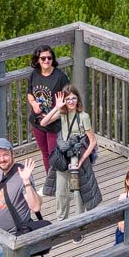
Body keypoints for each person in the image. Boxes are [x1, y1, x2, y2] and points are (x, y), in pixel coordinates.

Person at [0, 137, 47, 257]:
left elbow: (35, 206)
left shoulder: (22, 175)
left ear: (12, 154)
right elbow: (5, 201)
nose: (2, 159)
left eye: (5, 155)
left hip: (15, 240)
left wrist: (26, 182)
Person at [40, 87, 99, 219]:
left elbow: (93, 141)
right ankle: (61, 221)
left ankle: (78, 221)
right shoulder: (62, 113)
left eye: (73, 98)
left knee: (76, 191)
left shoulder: (83, 116)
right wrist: (56, 107)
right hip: (63, 156)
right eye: (68, 99)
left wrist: (82, 160)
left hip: (76, 157)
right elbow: (43, 123)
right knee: (61, 192)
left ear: (78, 99)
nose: (71, 101)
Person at [24, 45, 68, 198]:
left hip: (54, 123)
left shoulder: (60, 77)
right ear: (37, 60)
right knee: (45, 153)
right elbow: (29, 93)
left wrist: (52, 116)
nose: (46, 61)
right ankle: (51, 184)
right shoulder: (34, 74)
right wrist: (33, 103)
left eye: (49, 58)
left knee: (55, 155)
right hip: (37, 121)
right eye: (43, 58)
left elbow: (66, 102)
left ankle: (60, 184)